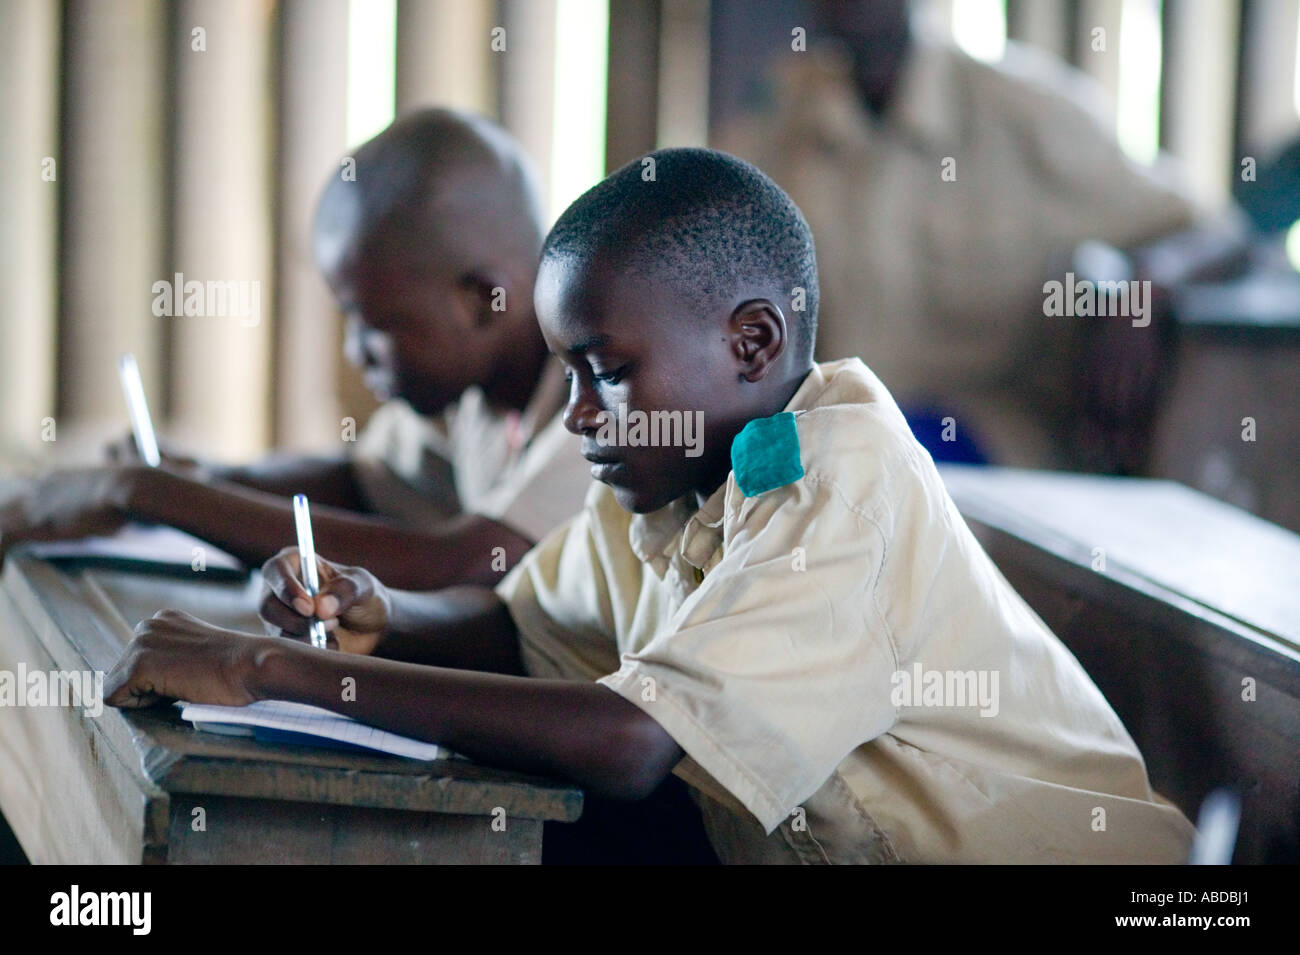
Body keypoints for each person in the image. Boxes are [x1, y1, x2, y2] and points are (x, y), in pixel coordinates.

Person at [105, 148, 1195, 864]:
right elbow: (517, 627)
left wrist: (273, 668)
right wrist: (372, 609)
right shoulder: (663, 483)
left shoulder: (836, 485)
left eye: (604, 371)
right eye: (566, 374)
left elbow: (633, 741)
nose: (577, 414)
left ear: (752, 343)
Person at [0, 110, 591, 589]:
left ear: (484, 300)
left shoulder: (597, 402)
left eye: (375, 325)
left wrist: (151, 495)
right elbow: (361, 481)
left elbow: (462, 562)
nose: (355, 352)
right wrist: (211, 479)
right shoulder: (477, 389)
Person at [717, 0, 1225, 471]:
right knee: (718, 468)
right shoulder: (783, 119)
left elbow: (1207, 230)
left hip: (977, 438)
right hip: (824, 428)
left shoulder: (1022, 116)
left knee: (833, 468)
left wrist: (1146, 288)